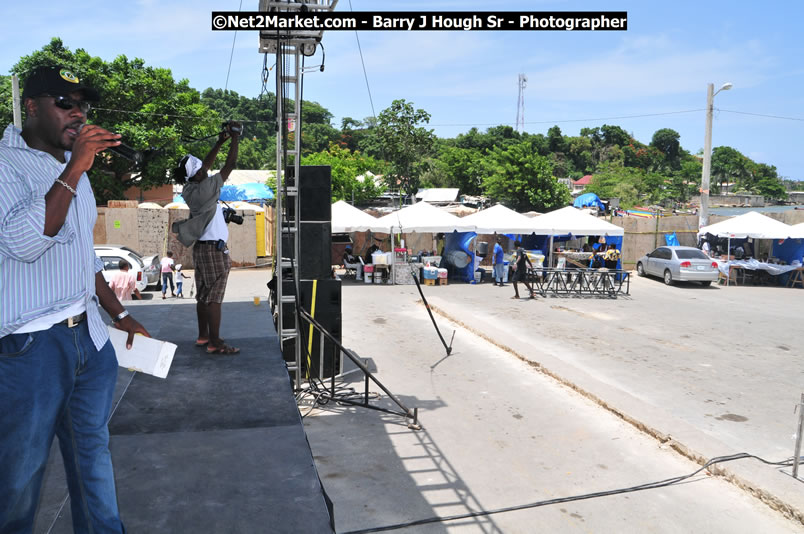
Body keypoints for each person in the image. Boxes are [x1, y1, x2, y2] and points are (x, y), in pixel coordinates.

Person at [0, 65, 149, 533]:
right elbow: (26, 242)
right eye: (65, 104)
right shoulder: (6, 165)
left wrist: (120, 314)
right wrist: (75, 167)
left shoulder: (74, 170)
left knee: (93, 461)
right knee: (20, 478)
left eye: (82, 106)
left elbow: (84, 255)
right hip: (31, 348)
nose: (78, 114)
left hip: (89, 337)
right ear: (31, 106)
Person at [172, 121, 241, 354]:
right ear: (199, 174)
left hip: (201, 249)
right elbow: (230, 164)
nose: (205, 169)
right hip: (214, 251)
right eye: (202, 169)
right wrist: (235, 137)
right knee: (214, 298)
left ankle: (203, 336)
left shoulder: (190, 189)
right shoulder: (207, 188)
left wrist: (219, 142)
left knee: (202, 296)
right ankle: (215, 342)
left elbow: (204, 168)